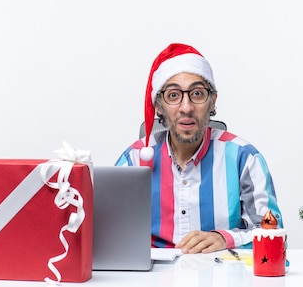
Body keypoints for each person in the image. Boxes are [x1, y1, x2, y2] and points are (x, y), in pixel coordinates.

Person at [115, 43, 283, 254]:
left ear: (212, 101)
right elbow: (110, 233)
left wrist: (225, 238)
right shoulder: (134, 160)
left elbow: (274, 236)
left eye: (197, 93)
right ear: (158, 105)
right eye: (173, 95)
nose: (186, 107)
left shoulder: (244, 158)